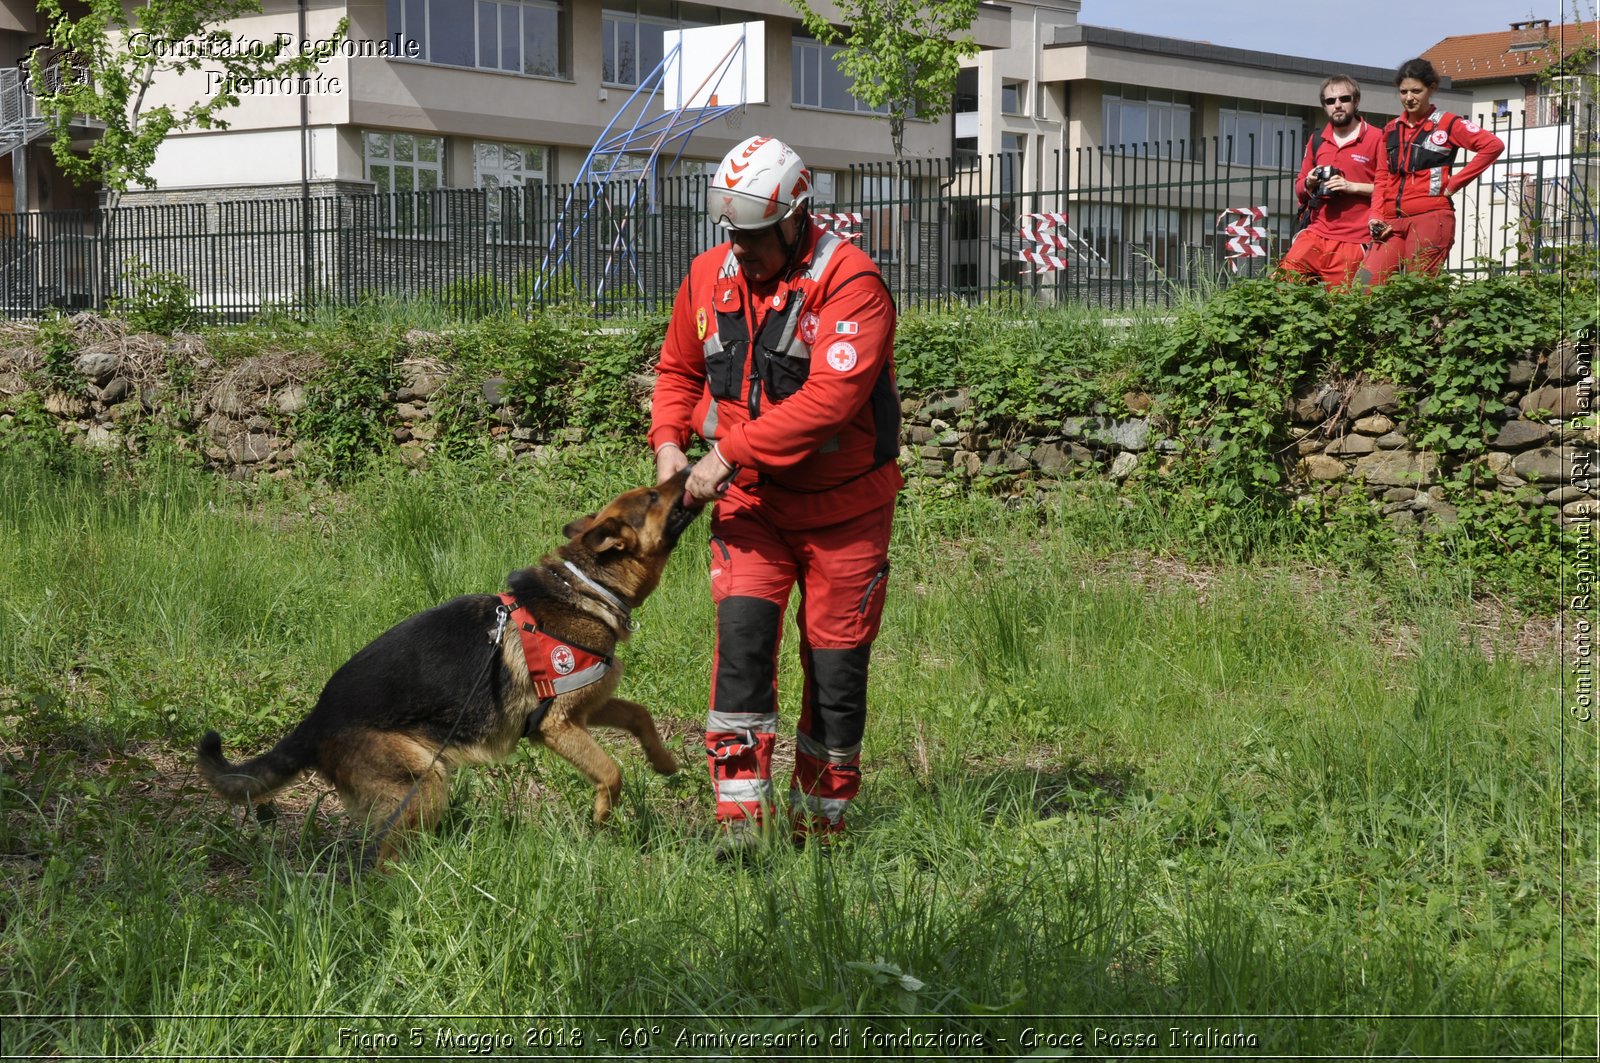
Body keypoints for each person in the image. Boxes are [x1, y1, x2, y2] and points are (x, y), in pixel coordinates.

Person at [649, 135, 903, 854]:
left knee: (835, 668)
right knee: (741, 652)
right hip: (752, 510)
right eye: (734, 234)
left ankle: (819, 829)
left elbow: (830, 401)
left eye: (758, 237)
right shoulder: (707, 276)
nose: (745, 250)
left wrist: (726, 452)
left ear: (797, 218)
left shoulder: (852, 283)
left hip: (844, 512)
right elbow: (677, 370)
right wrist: (669, 441)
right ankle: (740, 826)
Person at [1358, 57, 1505, 287]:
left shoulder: (1448, 123)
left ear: (1431, 88)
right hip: (1390, 222)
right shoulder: (1389, 130)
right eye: (1403, 91)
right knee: (1365, 284)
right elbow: (1382, 176)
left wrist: (1454, 184)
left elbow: (1493, 145)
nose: (1409, 98)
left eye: (1416, 91)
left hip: (1431, 218)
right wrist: (1375, 214)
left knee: (1419, 290)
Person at [1278, 75, 1383, 288]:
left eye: (1344, 98)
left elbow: (1388, 187)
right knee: (1280, 289)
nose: (1337, 105)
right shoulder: (1317, 140)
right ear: (1324, 106)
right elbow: (1299, 189)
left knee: (1339, 309)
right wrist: (1309, 183)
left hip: (1354, 240)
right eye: (1330, 101)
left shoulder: (1376, 138)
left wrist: (1351, 187)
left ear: (1356, 101)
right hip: (1316, 234)